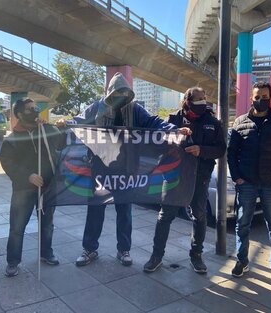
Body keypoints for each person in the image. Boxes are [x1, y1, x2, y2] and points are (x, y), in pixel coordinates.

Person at [57, 72, 190, 267]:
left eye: (124, 93)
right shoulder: (97, 108)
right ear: (110, 92)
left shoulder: (134, 110)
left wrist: (173, 129)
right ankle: (89, 249)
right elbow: (79, 121)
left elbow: (154, 122)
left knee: (124, 209)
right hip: (101, 169)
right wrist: (65, 123)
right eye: (117, 93)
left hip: (127, 169)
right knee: (95, 208)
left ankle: (124, 250)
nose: (121, 97)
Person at [143, 87, 226, 274]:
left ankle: (196, 256)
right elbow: (159, 145)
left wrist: (201, 150)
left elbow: (220, 149)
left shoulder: (213, 122)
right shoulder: (173, 120)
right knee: (165, 216)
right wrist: (174, 139)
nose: (203, 103)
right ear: (187, 101)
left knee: (200, 216)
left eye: (205, 99)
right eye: (198, 100)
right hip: (174, 177)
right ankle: (156, 256)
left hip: (200, 177)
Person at [227, 81, 271, 286]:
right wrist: (237, 177)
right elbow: (232, 153)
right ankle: (242, 261)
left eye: (264, 97)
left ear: (270, 98)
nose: (260, 100)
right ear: (252, 98)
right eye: (257, 97)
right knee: (242, 224)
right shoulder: (240, 122)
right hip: (246, 183)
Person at [0, 98, 64, 277]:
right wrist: (27, 176)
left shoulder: (48, 130)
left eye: (36, 108)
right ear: (19, 114)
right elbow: (7, 162)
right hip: (23, 189)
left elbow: (64, 143)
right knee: (17, 227)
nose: (35, 111)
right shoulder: (12, 139)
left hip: (48, 187)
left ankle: (46, 253)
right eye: (30, 109)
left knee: (47, 224)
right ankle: (13, 261)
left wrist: (63, 126)